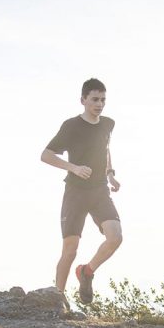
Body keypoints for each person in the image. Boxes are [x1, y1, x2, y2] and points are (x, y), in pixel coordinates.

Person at [41, 78, 122, 304]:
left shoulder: (108, 124)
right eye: (95, 99)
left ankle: (87, 272)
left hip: (100, 190)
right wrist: (73, 168)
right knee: (70, 250)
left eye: (103, 100)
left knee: (115, 237)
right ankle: (59, 299)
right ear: (83, 100)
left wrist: (110, 173)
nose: (99, 104)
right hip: (76, 192)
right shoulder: (71, 126)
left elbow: (105, 149)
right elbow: (46, 155)